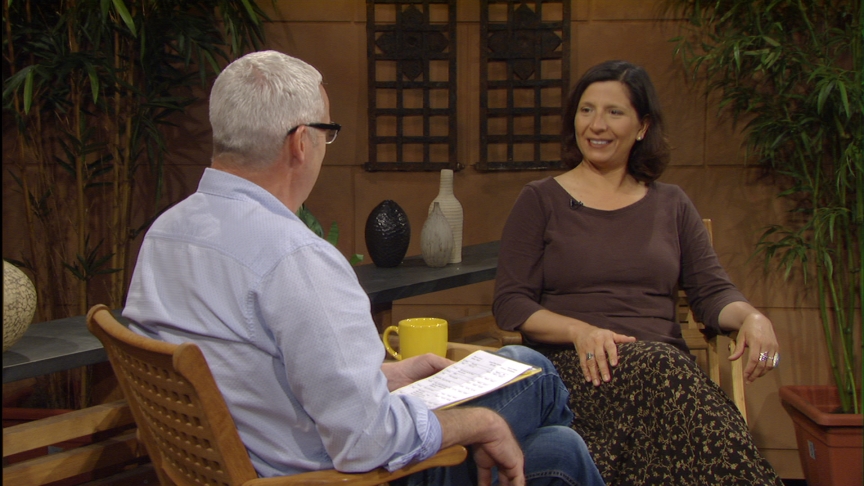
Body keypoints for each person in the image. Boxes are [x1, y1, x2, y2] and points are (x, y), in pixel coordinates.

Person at [122, 50, 604, 486]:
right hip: (332, 476)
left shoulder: (166, 233)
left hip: (249, 463)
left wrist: (387, 377)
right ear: (301, 145)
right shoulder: (296, 258)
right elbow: (366, 444)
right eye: (327, 133)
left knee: (554, 441)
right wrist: (482, 424)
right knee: (539, 387)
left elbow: (256, 371)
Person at [493, 59, 783, 485]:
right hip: (582, 370)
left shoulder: (672, 203)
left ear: (642, 126)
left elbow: (712, 293)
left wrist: (753, 317)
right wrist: (579, 331)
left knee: (664, 368)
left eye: (615, 112)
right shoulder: (540, 200)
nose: (597, 124)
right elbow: (511, 302)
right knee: (667, 370)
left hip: (663, 374)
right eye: (586, 110)